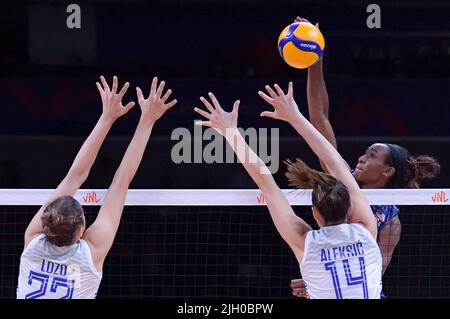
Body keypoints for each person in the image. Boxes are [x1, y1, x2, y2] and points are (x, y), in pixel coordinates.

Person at [289, 17, 441, 298]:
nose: (360, 158)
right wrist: (314, 57)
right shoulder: (340, 184)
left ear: (387, 172)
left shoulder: (391, 220)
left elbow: (374, 270)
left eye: (371, 156)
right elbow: (319, 117)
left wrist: (317, 283)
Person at [194, 85, 382, 299]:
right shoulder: (366, 230)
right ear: (349, 206)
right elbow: (334, 162)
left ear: (315, 213)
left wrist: (230, 132)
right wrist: (296, 117)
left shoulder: (305, 242)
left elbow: (266, 183)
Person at [17, 76, 177, 299]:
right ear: (81, 230)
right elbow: (117, 181)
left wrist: (106, 118)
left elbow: (75, 177)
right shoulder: (89, 254)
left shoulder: (33, 241)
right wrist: (146, 120)